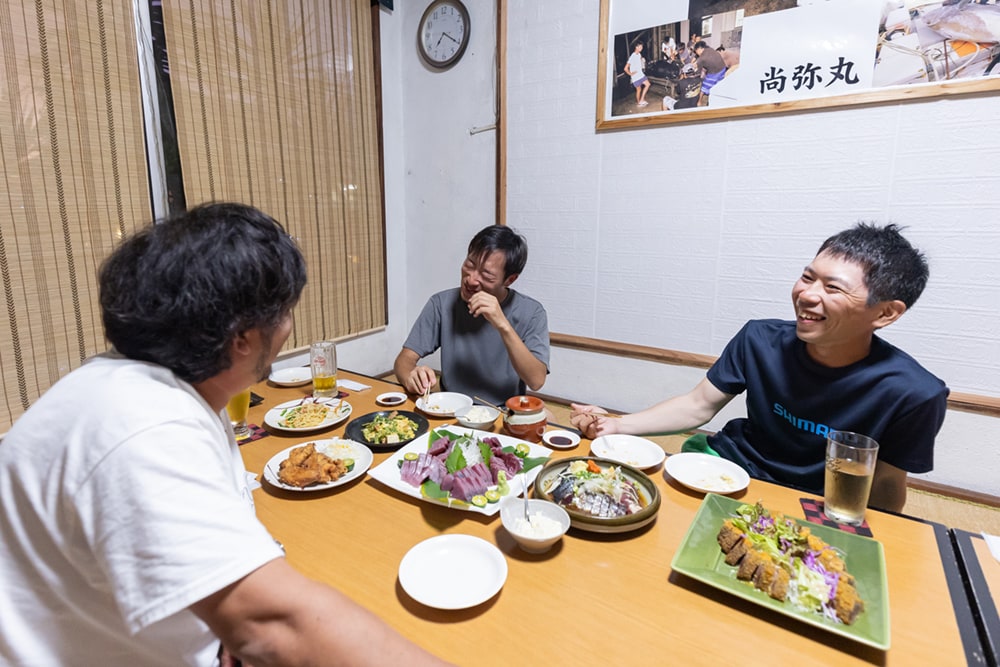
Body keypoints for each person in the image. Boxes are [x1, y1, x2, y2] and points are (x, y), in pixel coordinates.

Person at [0, 203, 449, 666]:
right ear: (241, 339)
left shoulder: (169, 387)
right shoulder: (142, 426)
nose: (290, 325)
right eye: (286, 312)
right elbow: (277, 627)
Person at [571, 223, 948, 513]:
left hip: (814, 501)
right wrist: (618, 425)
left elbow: (885, 484)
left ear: (885, 313)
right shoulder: (760, 339)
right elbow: (698, 405)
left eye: (833, 288)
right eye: (807, 277)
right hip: (728, 468)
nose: (807, 294)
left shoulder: (914, 393)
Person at [394, 224, 549, 406]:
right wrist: (411, 377)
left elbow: (536, 381)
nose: (471, 279)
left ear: (510, 279)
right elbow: (403, 361)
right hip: (449, 408)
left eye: (487, 275)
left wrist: (502, 324)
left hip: (503, 413)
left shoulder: (532, 312)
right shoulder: (441, 303)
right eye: (470, 264)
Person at [692, 40, 728, 105]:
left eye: (696, 51)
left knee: (704, 86)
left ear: (699, 49)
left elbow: (698, 72)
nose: (696, 53)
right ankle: (716, 98)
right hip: (723, 68)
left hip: (715, 73)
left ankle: (699, 101)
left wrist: (694, 74)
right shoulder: (710, 49)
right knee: (718, 85)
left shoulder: (701, 59)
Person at [624, 42, 651, 107]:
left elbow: (640, 60)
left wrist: (642, 61)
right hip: (635, 77)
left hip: (640, 74)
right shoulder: (632, 56)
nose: (642, 48)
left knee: (648, 84)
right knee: (639, 90)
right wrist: (631, 74)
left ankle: (641, 100)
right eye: (640, 47)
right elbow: (625, 68)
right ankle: (639, 102)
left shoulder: (639, 54)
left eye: (642, 47)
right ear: (636, 47)